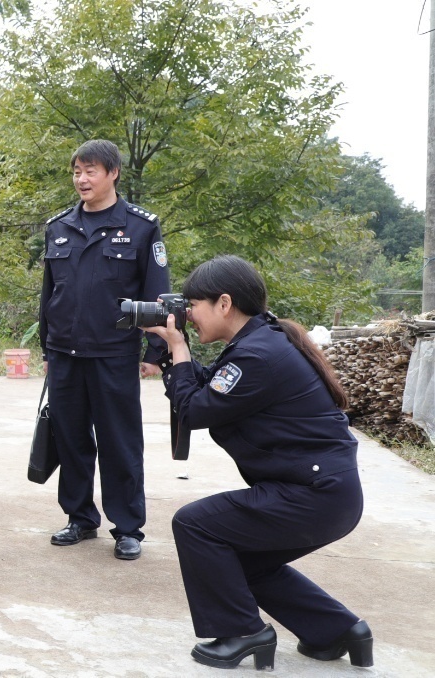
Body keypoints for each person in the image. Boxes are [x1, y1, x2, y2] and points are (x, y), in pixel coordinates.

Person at [144, 255, 372, 670]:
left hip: (312, 495)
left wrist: (177, 347)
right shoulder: (258, 343)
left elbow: (194, 411)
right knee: (240, 564)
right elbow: (205, 388)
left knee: (195, 523)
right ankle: (337, 629)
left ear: (225, 303)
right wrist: (169, 354)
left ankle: (244, 633)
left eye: (193, 305)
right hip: (325, 493)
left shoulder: (256, 356)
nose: (188, 315)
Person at [39, 139, 171, 560]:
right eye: (77, 171)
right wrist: (46, 346)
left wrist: (155, 351)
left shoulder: (141, 226)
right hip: (64, 353)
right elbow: (49, 294)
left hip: (114, 353)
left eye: (91, 171)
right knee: (71, 439)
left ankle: (128, 527)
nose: (82, 179)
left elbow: (157, 293)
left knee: (120, 441)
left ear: (113, 173)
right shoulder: (58, 227)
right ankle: (80, 518)